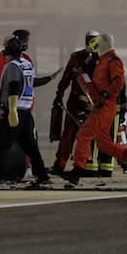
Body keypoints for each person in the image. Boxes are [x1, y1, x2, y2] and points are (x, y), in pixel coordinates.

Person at [67, 32, 127, 182]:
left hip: (105, 105)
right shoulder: (101, 61)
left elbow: (118, 83)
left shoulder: (112, 61)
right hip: (100, 104)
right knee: (104, 143)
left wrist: (105, 95)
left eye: (96, 44)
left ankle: (76, 171)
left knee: (84, 135)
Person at [0, 36, 49, 186]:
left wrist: (12, 110)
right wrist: (49, 78)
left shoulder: (12, 66)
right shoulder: (27, 64)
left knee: (1, 145)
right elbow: (32, 82)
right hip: (26, 111)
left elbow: (13, 87)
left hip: (14, 110)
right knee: (30, 146)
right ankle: (42, 174)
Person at [49, 30, 100, 174]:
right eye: (89, 39)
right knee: (69, 134)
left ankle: (89, 164)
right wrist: (59, 95)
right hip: (75, 102)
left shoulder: (102, 59)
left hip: (94, 103)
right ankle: (60, 163)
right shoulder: (77, 57)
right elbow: (66, 77)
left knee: (91, 135)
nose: (91, 42)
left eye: (93, 39)